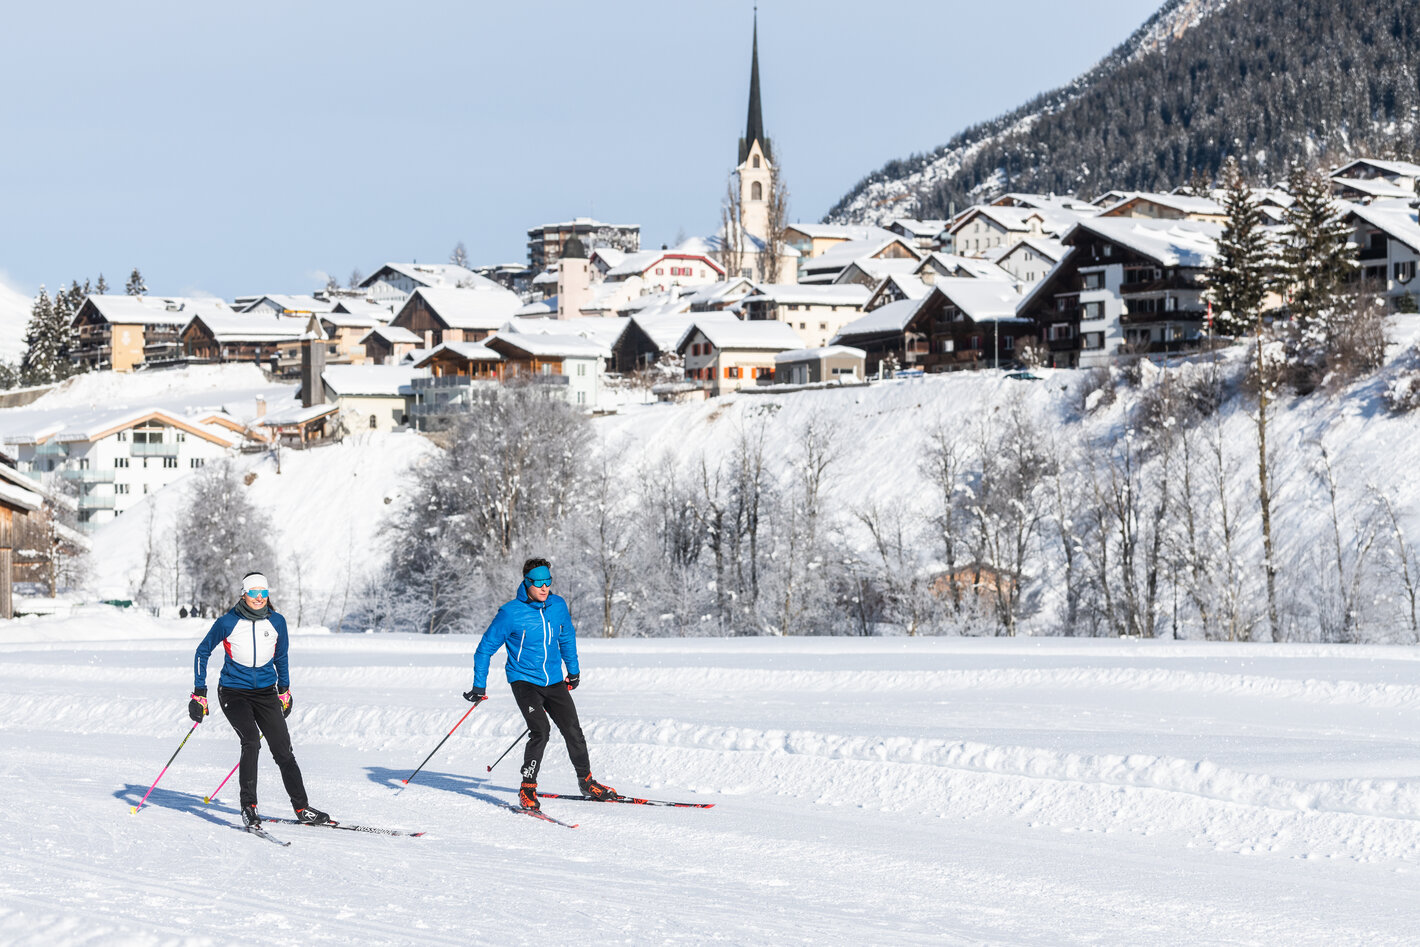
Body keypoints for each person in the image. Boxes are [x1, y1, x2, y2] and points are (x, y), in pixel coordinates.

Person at [464, 557, 617, 810]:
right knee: (541, 731)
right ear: (527, 583)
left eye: (548, 582)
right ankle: (527, 788)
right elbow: (484, 650)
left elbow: (566, 638)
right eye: (538, 583)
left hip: (554, 679)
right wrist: (479, 686)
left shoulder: (557, 606)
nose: (545, 588)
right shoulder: (510, 613)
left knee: (573, 731)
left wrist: (574, 671)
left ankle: (587, 781)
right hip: (524, 681)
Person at [190, 571, 329, 827]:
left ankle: (302, 808)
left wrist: (284, 689)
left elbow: (281, 657)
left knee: (283, 750)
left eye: (263, 593)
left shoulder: (277, 622)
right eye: (254, 592)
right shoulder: (227, 622)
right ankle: (249, 807)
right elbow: (202, 651)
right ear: (244, 593)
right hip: (233, 691)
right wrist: (200, 693)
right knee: (251, 741)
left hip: (266, 692)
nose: (259, 598)